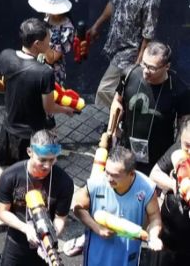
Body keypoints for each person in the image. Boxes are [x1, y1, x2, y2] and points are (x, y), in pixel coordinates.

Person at [0, 18, 75, 228]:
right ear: (37, 44)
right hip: (34, 135)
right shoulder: (44, 73)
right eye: (48, 40)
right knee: (36, 172)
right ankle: (35, 213)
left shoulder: (6, 56)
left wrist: (10, 90)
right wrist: (66, 110)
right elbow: (49, 108)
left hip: (9, 129)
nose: (50, 43)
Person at [89, 0, 160, 109]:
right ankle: (120, 117)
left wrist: (138, 63)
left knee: (105, 89)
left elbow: (148, 35)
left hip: (130, 52)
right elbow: (113, 2)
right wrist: (96, 25)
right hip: (116, 43)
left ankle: (121, 119)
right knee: (120, 89)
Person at [107, 42, 190, 175]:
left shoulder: (179, 90)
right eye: (143, 64)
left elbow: (184, 128)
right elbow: (117, 101)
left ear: (167, 66)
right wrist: (111, 132)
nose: (145, 71)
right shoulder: (130, 74)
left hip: (158, 157)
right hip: (126, 150)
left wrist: (175, 159)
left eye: (152, 68)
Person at [0, 130, 74, 266]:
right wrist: (26, 228)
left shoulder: (64, 182)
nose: (48, 166)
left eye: (52, 159)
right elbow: (2, 212)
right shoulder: (10, 176)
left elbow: (61, 218)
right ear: (29, 152)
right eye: (42, 160)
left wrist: (51, 236)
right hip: (17, 241)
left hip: (44, 248)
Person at [73, 147, 163, 264]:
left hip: (127, 256)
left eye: (115, 175)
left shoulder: (146, 188)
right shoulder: (97, 183)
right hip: (97, 255)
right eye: (107, 172)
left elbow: (155, 217)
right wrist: (97, 227)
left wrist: (154, 236)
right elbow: (77, 207)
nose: (109, 179)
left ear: (131, 173)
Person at [148, 121, 190, 265]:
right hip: (170, 230)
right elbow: (154, 174)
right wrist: (174, 185)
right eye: (187, 145)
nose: (189, 151)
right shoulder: (178, 151)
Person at [27, 0, 75, 85]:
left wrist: (44, 40)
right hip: (37, 66)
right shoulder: (48, 15)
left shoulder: (67, 29)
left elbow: (52, 59)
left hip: (52, 75)